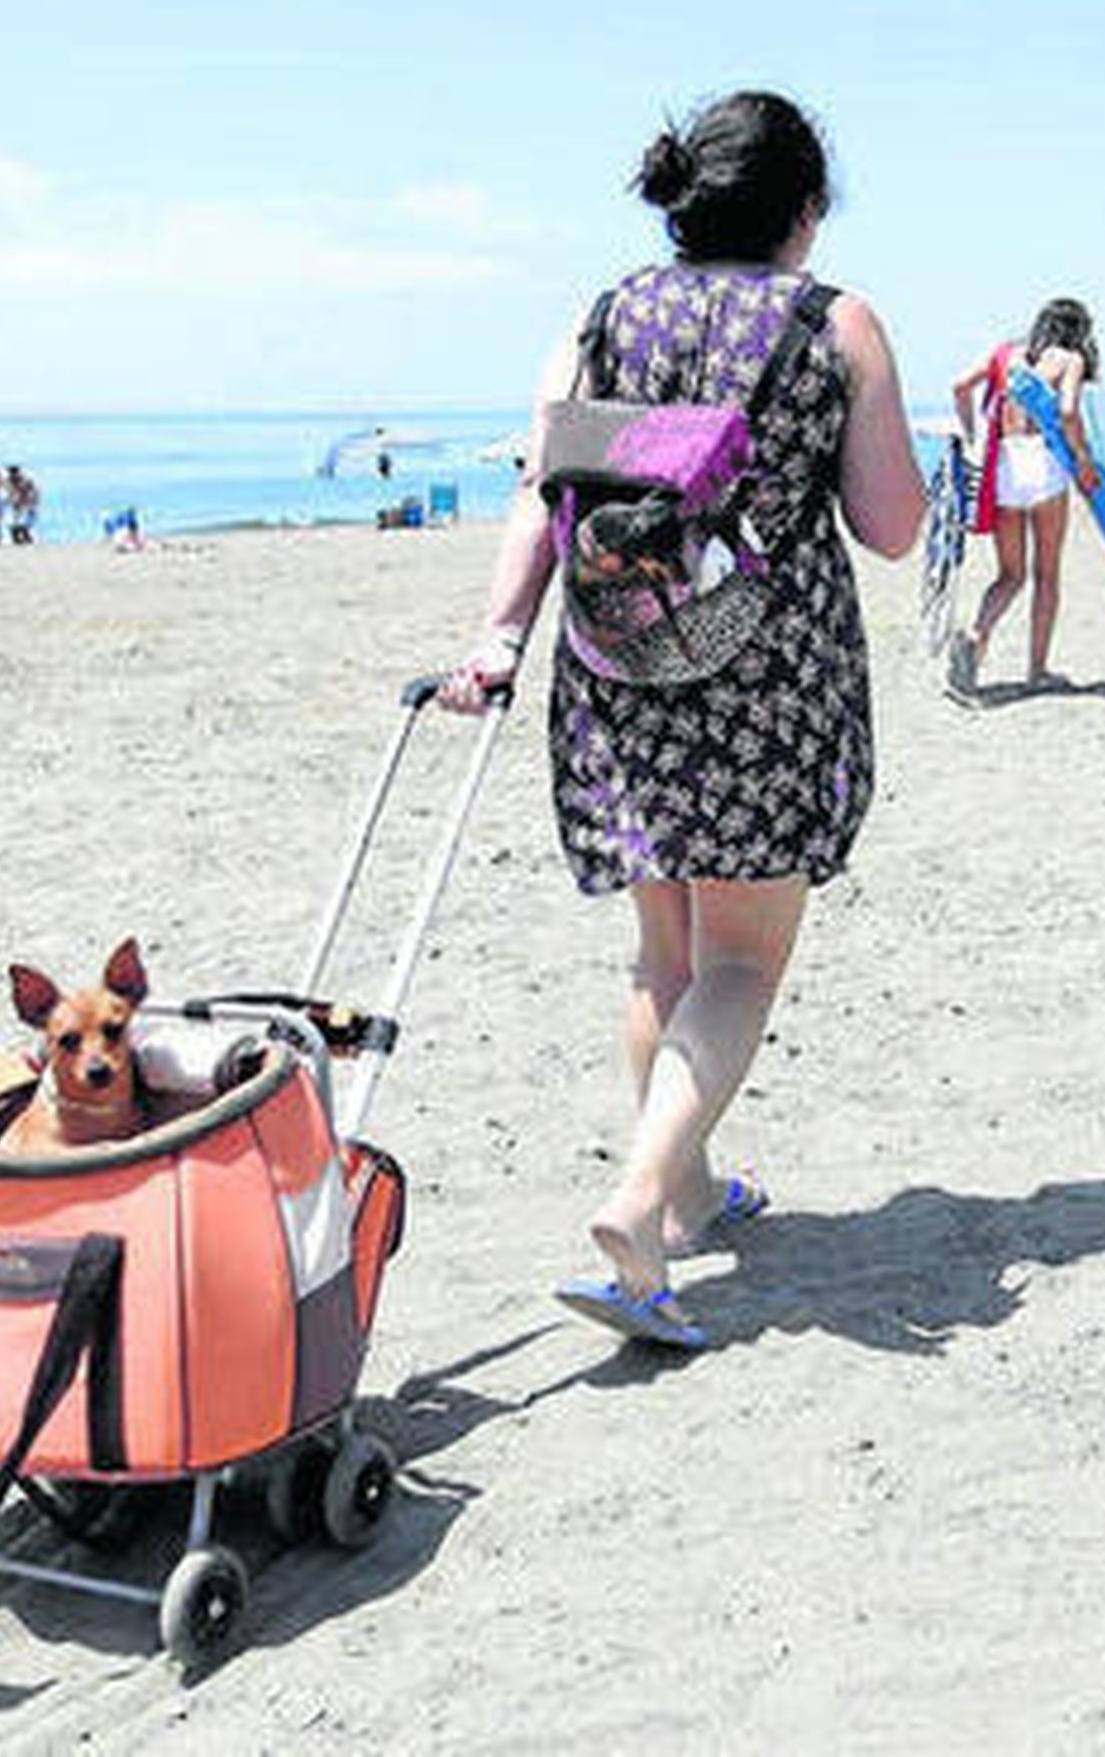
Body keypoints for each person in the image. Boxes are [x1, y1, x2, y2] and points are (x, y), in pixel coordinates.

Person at [439, 89, 924, 1347]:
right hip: (767, 677)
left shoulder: (602, 315)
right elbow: (890, 526)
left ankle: (696, 1186)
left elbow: (545, 495)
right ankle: (644, 1200)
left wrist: (497, 638)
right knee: (741, 964)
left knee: (664, 955)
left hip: (620, 662)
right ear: (802, 214)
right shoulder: (838, 323)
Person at [946, 298, 1102, 698]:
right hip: (1043, 466)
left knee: (1010, 575)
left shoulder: (1005, 354)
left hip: (1004, 468)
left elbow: (959, 386)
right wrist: (1083, 460)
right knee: (1046, 574)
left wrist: (970, 438)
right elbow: (1067, 412)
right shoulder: (1069, 360)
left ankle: (975, 635)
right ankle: (1037, 671)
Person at [5, 465, 40, 544]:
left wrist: (32, 502)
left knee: (23, 529)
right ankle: (22, 546)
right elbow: (11, 495)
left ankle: (29, 544)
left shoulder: (25, 481)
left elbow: (33, 492)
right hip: (18, 509)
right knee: (15, 530)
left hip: (26, 508)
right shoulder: (10, 481)